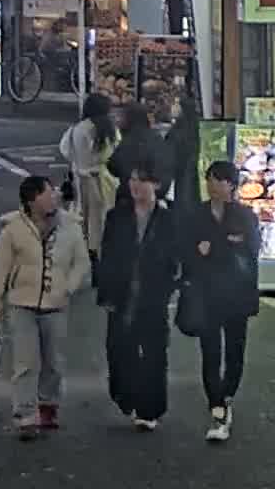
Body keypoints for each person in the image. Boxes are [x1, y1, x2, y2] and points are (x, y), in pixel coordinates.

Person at [0, 175, 90, 440]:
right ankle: (25, 414)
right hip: (22, 304)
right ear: (32, 200)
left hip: (56, 303)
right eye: (47, 193)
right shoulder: (13, 230)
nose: (54, 195)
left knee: (53, 361)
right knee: (25, 362)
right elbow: (1, 274)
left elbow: (82, 263)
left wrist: (68, 287)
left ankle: (48, 404)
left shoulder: (70, 226)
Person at [180, 160, 261, 443]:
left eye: (218, 180)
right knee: (210, 353)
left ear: (231, 185)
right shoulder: (196, 215)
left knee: (235, 352)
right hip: (206, 295)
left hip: (237, 295)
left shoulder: (245, 216)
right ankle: (217, 405)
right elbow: (187, 251)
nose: (212, 185)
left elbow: (250, 250)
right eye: (210, 179)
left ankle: (226, 395)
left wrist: (213, 247)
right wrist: (222, 245)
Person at [96, 163, 177, 430]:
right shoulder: (117, 216)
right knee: (119, 349)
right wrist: (105, 292)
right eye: (132, 180)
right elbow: (106, 256)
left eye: (142, 180)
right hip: (121, 293)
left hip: (153, 294)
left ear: (155, 184)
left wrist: (173, 284)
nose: (135, 185)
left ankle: (150, 409)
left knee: (154, 352)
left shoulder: (167, 218)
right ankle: (125, 394)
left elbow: (177, 256)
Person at [57, 93, 118, 264]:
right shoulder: (107, 130)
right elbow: (113, 152)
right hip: (103, 181)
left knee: (81, 220)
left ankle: (83, 257)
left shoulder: (75, 130)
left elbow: (65, 151)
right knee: (100, 222)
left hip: (80, 181)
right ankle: (98, 257)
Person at [108, 103, 162, 206]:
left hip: (127, 196)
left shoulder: (127, 140)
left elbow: (112, 166)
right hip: (151, 195)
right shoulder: (156, 137)